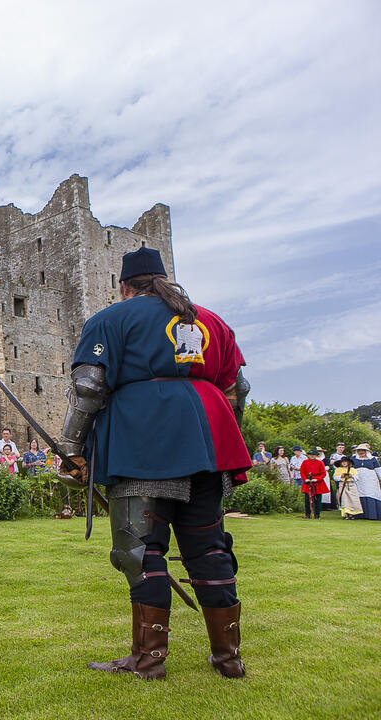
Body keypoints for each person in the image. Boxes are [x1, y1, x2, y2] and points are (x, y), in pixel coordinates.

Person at [57, 247, 252, 680]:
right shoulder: (211, 321)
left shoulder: (113, 318)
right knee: (210, 550)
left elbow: (89, 387)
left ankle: (148, 661)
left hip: (142, 436)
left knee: (138, 551)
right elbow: (238, 389)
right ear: (163, 278)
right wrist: (221, 437)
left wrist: (71, 445)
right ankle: (229, 659)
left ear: (124, 285)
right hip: (208, 440)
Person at [349, 444, 381, 521]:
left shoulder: (373, 459)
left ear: (366, 451)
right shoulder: (353, 458)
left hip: (370, 481)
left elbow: (378, 470)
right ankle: (358, 514)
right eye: (359, 450)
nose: (361, 452)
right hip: (358, 480)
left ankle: (372, 514)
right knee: (358, 494)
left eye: (363, 450)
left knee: (371, 494)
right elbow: (348, 468)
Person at [299, 448, 328, 519]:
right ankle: (307, 514)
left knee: (318, 499)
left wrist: (317, 479)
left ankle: (317, 514)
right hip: (308, 482)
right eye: (311, 455)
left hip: (317, 483)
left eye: (313, 455)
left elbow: (323, 473)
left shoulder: (320, 463)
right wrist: (305, 479)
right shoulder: (305, 462)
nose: (312, 456)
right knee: (307, 499)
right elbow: (302, 472)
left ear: (316, 455)